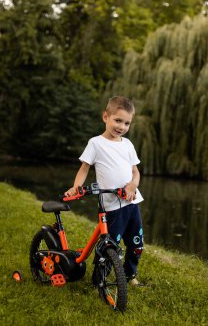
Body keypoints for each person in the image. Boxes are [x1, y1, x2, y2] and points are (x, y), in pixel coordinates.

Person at [65, 96, 144, 286]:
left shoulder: (127, 144)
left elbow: (136, 172)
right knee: (110, 245)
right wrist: (76, 187)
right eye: (118, 120)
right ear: (105, 117)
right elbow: (84, 168)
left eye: (127, 123)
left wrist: (133, 185)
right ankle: (99, 279)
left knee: (136, 244)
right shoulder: (96, 143)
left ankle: (129, 274)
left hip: (131, 202)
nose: (121, 127)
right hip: (111, 205)